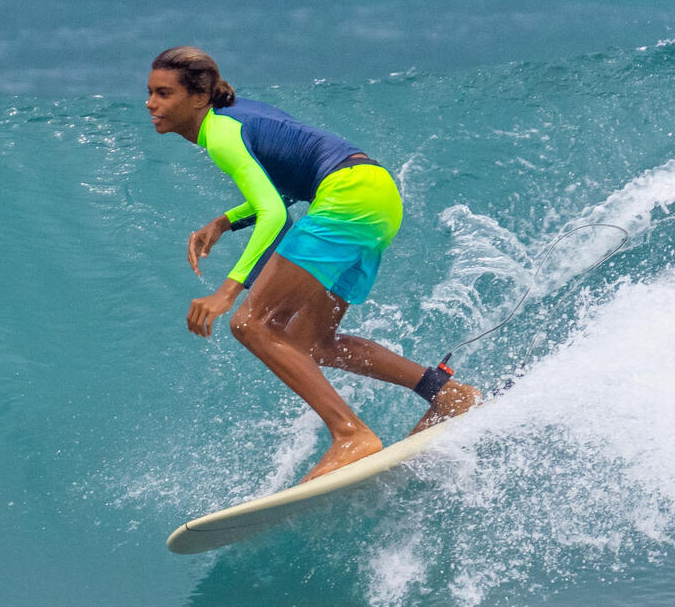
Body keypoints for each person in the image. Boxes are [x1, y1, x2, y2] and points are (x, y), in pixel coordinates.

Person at [146, 46, 480, 483]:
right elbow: (284, 185)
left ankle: (350, 435)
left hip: (347, 200)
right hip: (376, 197)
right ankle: (448, 394)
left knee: (250, 324)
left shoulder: (221, 133)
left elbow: (276, 214)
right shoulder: (236, 117)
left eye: (163, 94)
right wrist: (225, 222)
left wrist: (227, 290)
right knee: (314, 343)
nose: (151, 104)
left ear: (198, 97)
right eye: (150, 93)